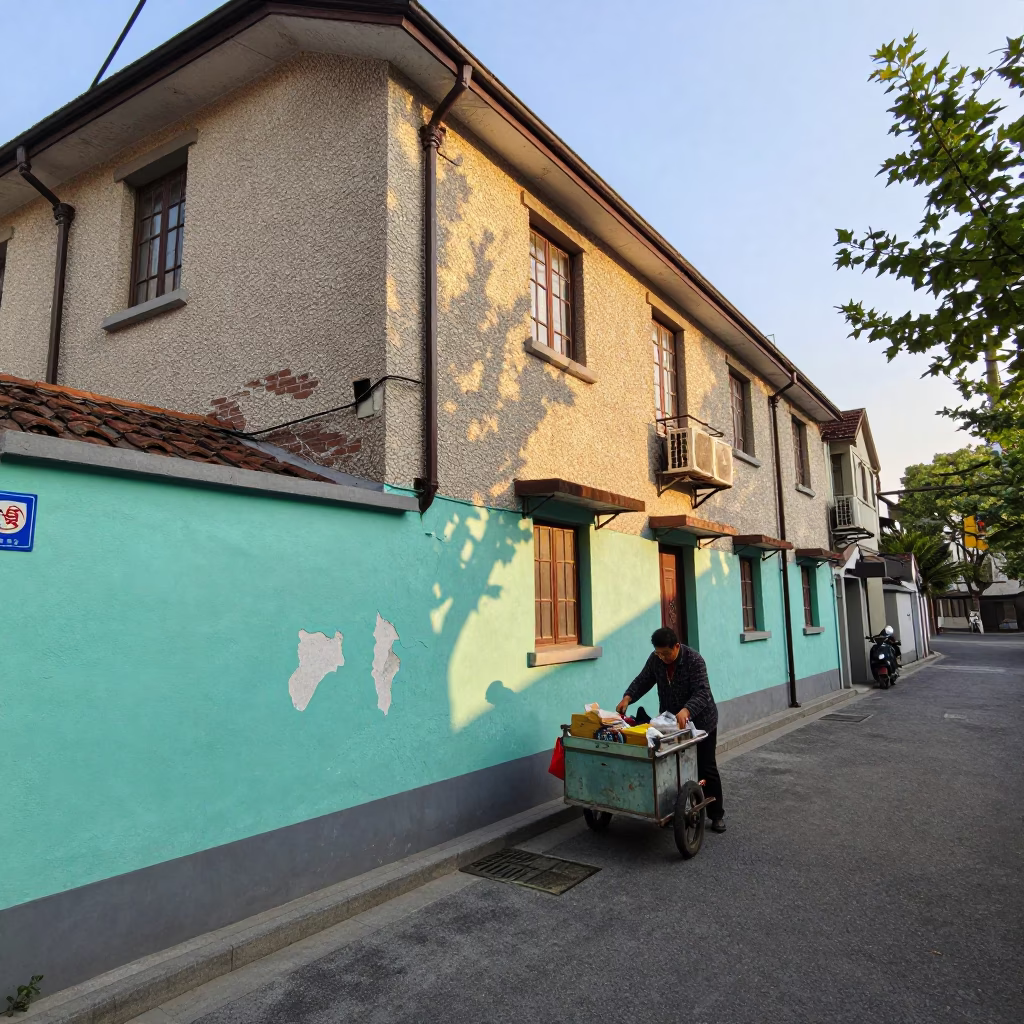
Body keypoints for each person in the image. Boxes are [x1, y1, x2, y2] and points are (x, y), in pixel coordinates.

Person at [616, 626, 726, 833]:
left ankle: (716, 814)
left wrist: (687, 710)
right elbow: (643, 680)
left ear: (676, 646)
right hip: (670, 723)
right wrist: (628, 697)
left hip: (701, 721)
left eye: (666, 653)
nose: (662, 657)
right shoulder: (656, 659)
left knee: (706, 767)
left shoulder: (694, 660)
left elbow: (703, 692)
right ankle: (674, 811)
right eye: (659, 653)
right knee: (671, 767)